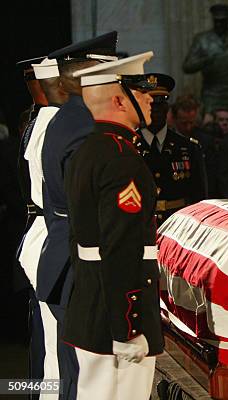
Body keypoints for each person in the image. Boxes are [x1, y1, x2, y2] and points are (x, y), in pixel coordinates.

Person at [65, 51, 164, 400]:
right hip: (114, 316)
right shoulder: (122, 160)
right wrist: (128, 325)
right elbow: (121, 247)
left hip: (92, 305)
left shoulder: (88, 151)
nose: (151, 98)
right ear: (120, 99)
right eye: (142, 92)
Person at [40, 31, 119, 400]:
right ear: (92, 77)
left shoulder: (70, 119)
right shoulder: (84, 127)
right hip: (80, 267)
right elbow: (90, 208)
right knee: (88, 380)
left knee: (76, 375)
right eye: (113, 73)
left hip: (68, 261)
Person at [17, 57, 68, 400]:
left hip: (41, 230)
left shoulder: (40, 119)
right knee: (53, 344)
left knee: (46, 340)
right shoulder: (54, 122)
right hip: (52, 230)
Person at [136, 73, 206, 224]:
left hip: (178, 224)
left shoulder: (187, 147)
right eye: (151, 103)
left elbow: (199, 196)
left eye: (160, 104)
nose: (155, 110)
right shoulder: (129, 145)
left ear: (167, 108)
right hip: (140, 225)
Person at [170, 94, 219, 198]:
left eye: (191, 122)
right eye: (184, 123)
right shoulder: (167, 141)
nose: (188, 127)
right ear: (174, 119)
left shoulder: (205, 142)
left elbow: (211, 176)